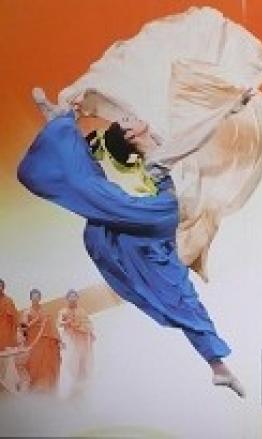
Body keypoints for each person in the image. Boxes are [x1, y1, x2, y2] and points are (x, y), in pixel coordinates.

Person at [17, 93, 244, 397]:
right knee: (95, 192)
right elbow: (194, 139)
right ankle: (59, 125)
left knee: (179, 294)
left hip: (153, 226)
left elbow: (187, 133)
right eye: (127, 121)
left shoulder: (155, 145)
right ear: (132, 135)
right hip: (153, 216)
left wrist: (228, 108)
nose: (129, 116)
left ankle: (219, 369)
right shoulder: (157, 154)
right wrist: (228, 108)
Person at [20, 288, 62, 393]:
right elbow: (24, 327)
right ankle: (35, 388)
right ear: (30, 298)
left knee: (47, 365)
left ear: (40, 298)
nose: (35, 298)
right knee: (34, 365)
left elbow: (52, 327)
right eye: (33, 296)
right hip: (33, 343)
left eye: (37, 296)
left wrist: (59, 340)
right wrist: (33, 322)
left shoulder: (45, 312)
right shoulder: (27, 312)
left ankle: (48, 388)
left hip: (46, 342)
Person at [58, 289, 95, 387]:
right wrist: (67, 322)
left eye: (75, 296)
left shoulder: (82, 310)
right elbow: (60, 323)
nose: (73, 299)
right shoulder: (63, 311)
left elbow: (88, 323)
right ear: (67, 299)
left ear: (77, 298)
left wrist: (90, 332)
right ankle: (72, 379)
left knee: (83, 357)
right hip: (70, 337)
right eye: (70, 297)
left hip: (81, 337)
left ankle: (82, 378)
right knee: (71, 358)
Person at [0, 279, 18, 353]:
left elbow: (15, 318)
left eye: (0, 286)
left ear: (3, 287)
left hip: (6, 334)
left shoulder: (8, 301)